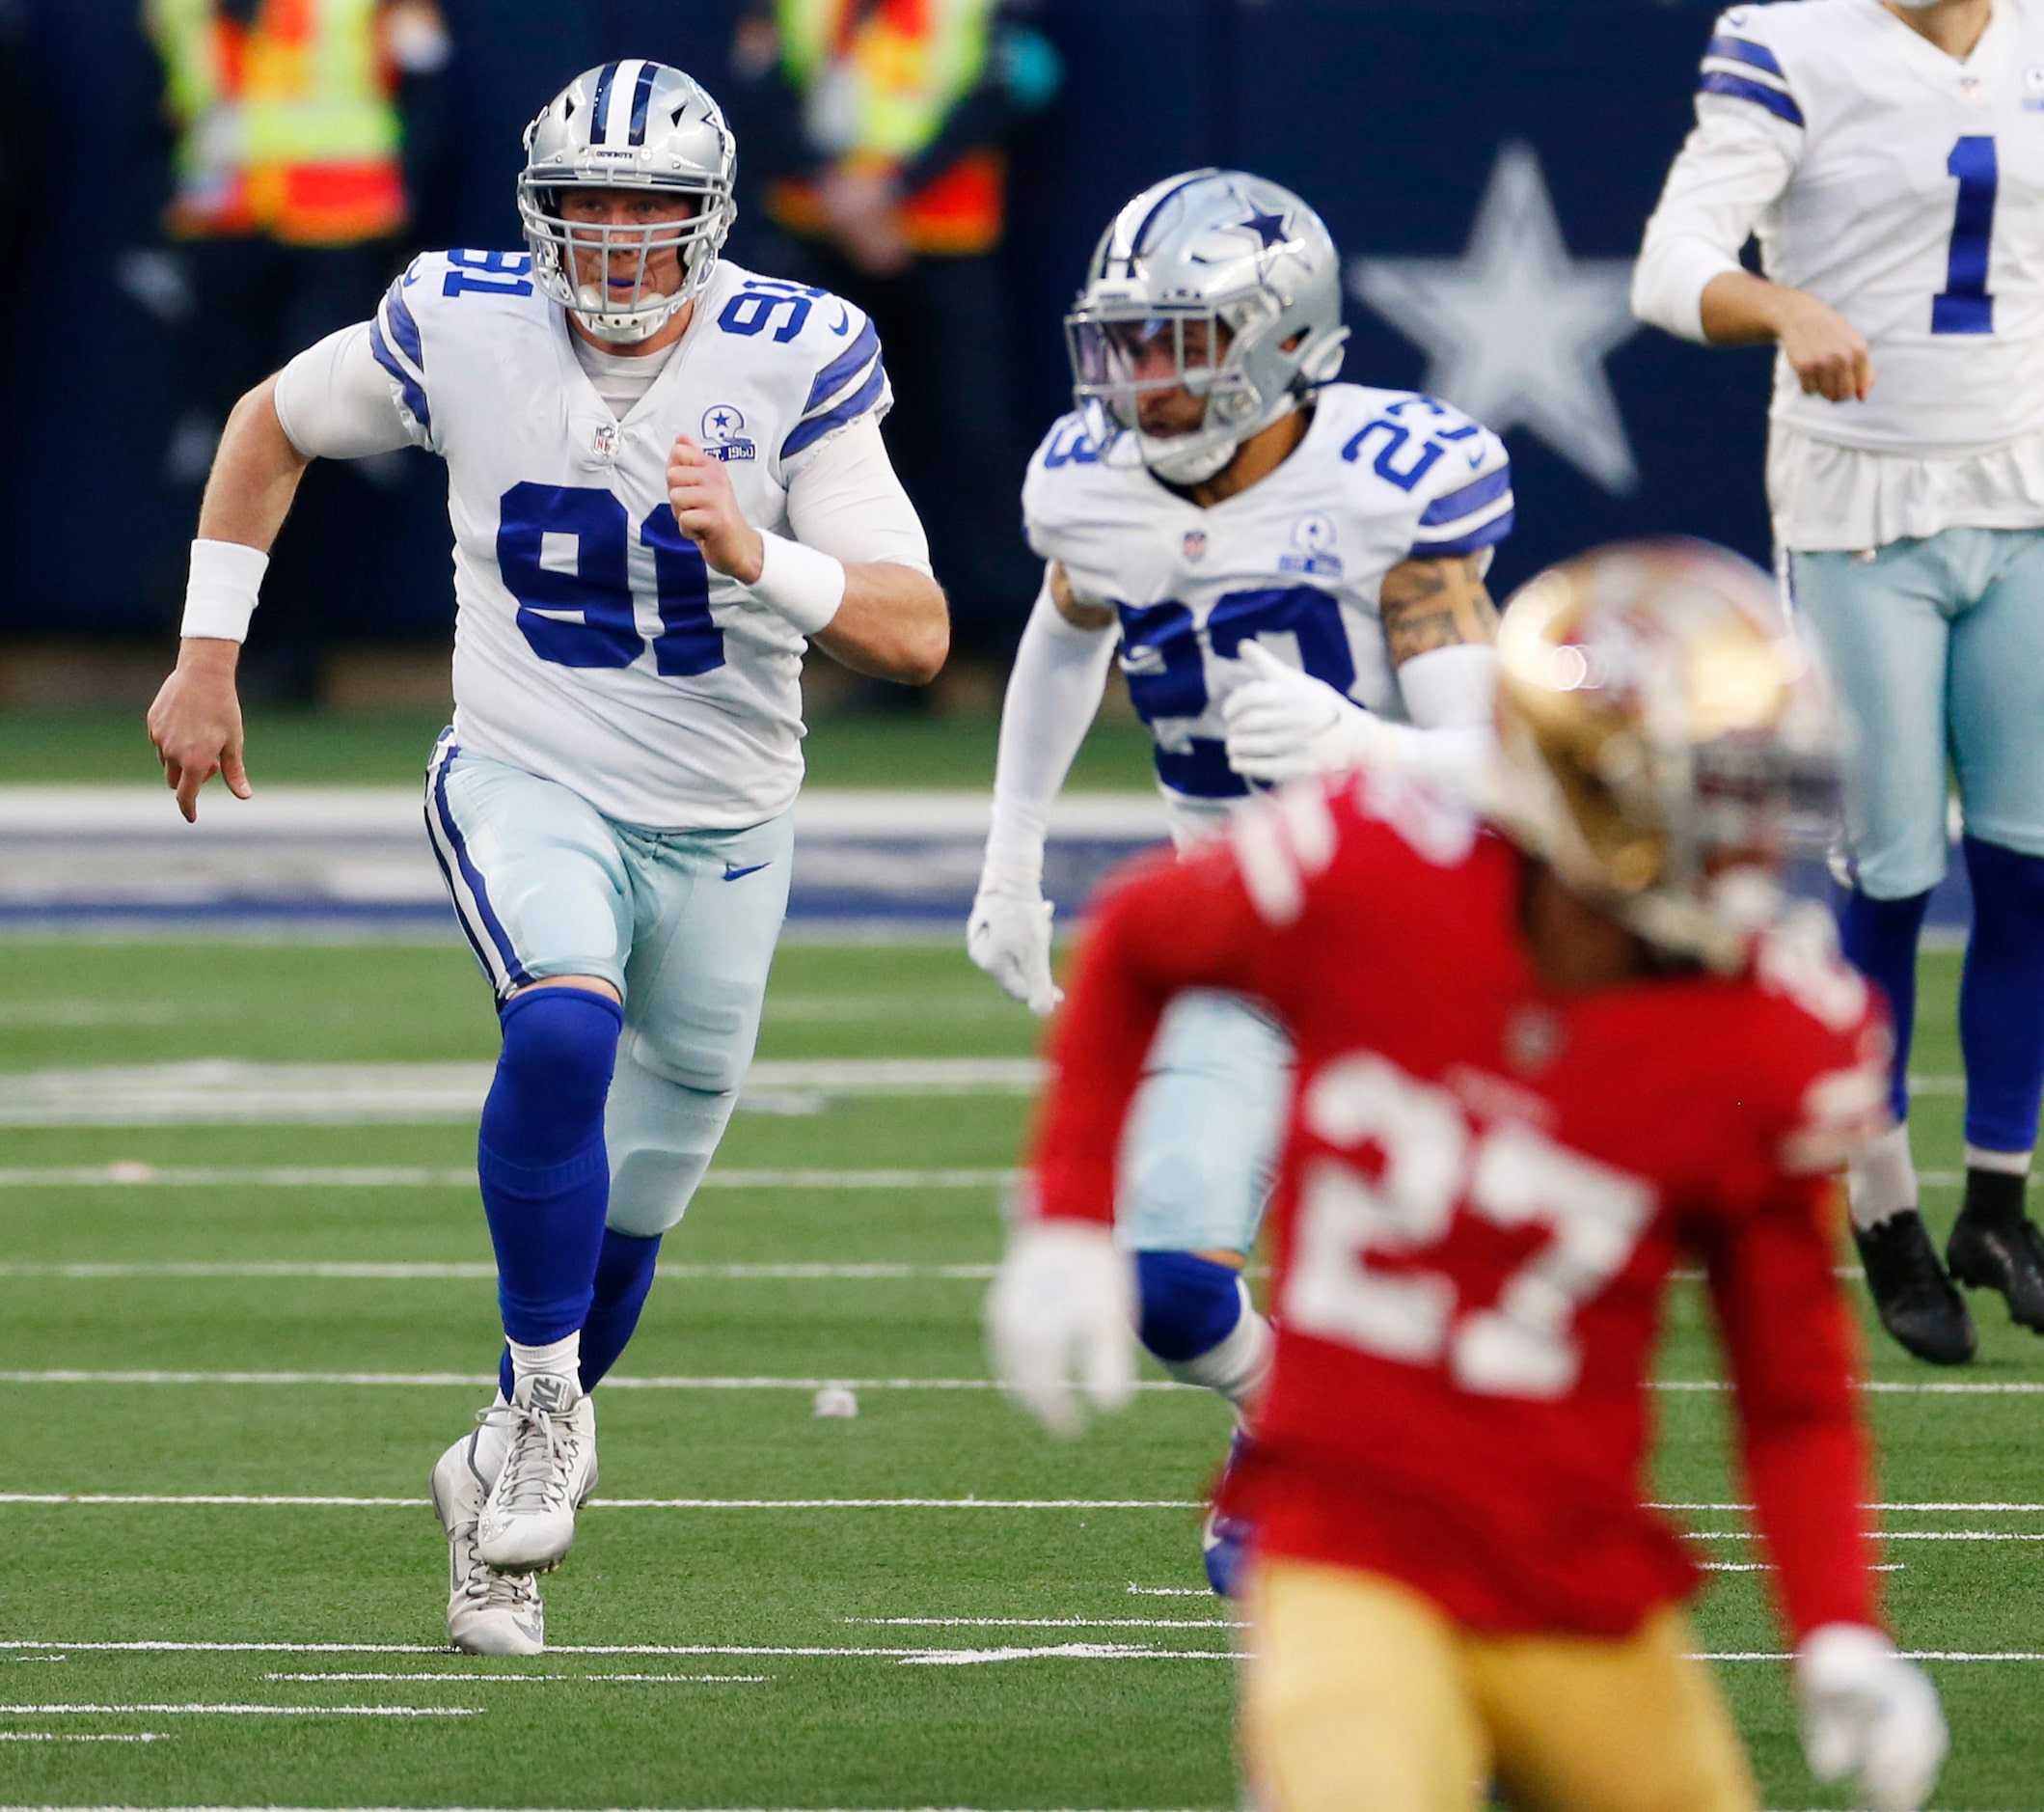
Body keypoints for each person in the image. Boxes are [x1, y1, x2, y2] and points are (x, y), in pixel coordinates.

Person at [145, 59, 948, 1655]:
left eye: (650, 214)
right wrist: (206, 655)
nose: (616, 246)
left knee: (632, 1214)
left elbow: (913, 633)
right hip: (526, 769)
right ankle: (545, 1396)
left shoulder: (796, 354)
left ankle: (495, 1463)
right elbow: (269, 423)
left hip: (728, 819)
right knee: (561, 1021)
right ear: (541, 214)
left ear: (706, 224)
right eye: (586, 209)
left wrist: (757, 551)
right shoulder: (460, 317)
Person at [986, 542, 1948, 1812]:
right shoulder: (1378, 878)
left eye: (1760, 800)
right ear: (1583, 786)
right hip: (1345, 1537)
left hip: (1579, 1573)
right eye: (1710, 802)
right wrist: (1066, 1215)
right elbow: (1136, 943)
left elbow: (1789, 1387)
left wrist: (1834, 1623)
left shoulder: (1771, 1031)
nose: (1744, 850)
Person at [967, 169, 1510, 1592]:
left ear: (1281, 341)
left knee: (1447, 1307)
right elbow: (1065, 623)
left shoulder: (1392, 485)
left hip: (1418, 936)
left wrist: (1355, 740)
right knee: (1167, 1281)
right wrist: (1011, 847)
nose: (1140, 378)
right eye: (1125, 341)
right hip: (1242, 932)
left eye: (1178, 342)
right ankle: (1281, 1419)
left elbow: (1506, 771)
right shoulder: (1088, 484)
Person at [1633, 0, 2044, 1367]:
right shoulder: (1788, 40)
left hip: (2025, 488)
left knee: (2030, 864)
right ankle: (1883, 1214)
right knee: (1886, 872)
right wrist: (1780, 299)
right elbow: (1666, 265)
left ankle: (1997, 1197)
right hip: (1859, 504)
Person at [726, 0, 1061, 657]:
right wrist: (836, 192)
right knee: (843, 442)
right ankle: (866, 641)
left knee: (976, 434)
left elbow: (1018, 81)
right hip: (821, 236)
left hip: (946, 230)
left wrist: (894, 189)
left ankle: (1003, 640)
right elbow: (756, 80)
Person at [146, 0, 454, 697]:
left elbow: (429, 83)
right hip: (223, 229)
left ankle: (295, 644)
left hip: (338, 229)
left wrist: (408, 208)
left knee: (310, 430)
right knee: (229, 431)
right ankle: (230, 635)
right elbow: (163, 107)